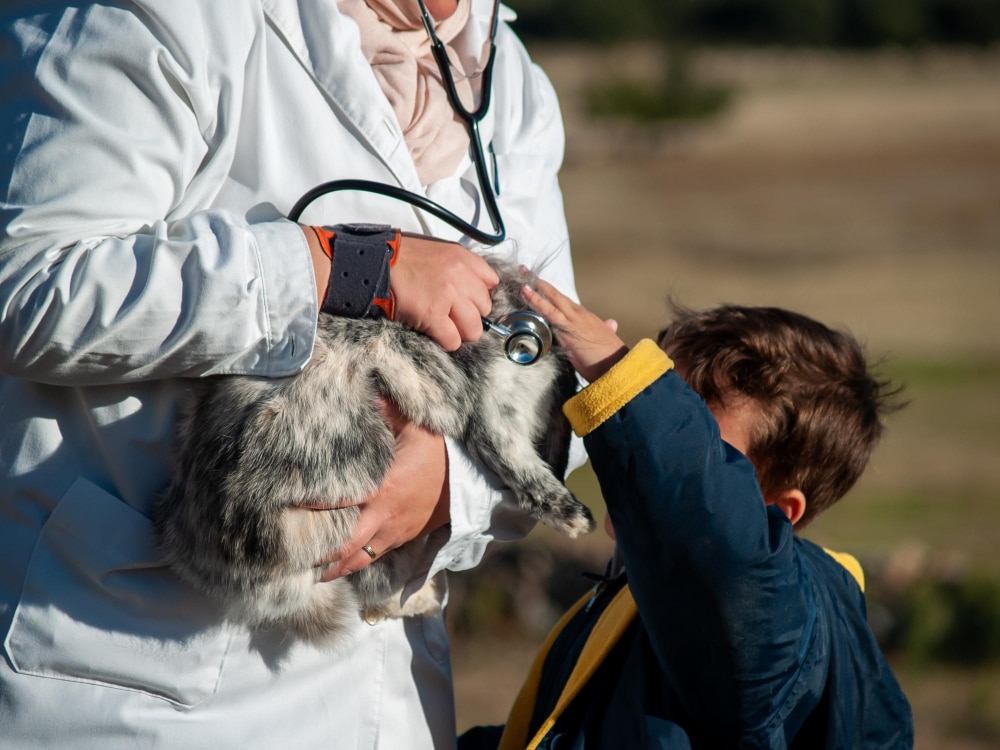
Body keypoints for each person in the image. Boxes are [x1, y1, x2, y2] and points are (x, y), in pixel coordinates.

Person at [0, 1, 581, 748]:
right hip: (132, 680)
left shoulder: (508, 76)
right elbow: (33, 285)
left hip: (387, 691)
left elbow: (553, 370)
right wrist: (349, 268)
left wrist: (447, 484)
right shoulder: (157, 15)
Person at [460, 279, 914, 749]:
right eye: (670, 408)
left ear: (777, 508)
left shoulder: (778, 622)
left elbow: (716, 540)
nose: (645, 445)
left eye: (694, 441)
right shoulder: (641, 594)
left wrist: (623, 379)